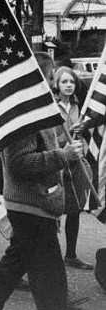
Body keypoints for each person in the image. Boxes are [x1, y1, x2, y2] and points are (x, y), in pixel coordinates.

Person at [0, 53, 83, 310]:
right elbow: (19, 164)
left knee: (18, 259)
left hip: (35, 201)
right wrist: (62, 155)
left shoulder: (39, 110)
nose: (54, 82)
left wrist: (67, 145)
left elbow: (44, 149)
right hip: (31, 203)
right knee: (50, 275)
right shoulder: (24, 115)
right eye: (51, 75)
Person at [53, 66, 93, 270]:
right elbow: (49, 138)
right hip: (56, 163)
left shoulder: (80, 106)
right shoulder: (51, 106)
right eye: (64, 82)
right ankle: (47, 256)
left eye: (71, 82)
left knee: (74, 209)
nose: (68, 86)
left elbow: (85, 135)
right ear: (56, 84)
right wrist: (66, 133)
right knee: (53, 211)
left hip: (76, 164)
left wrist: (83, 129)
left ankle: (71, 254)